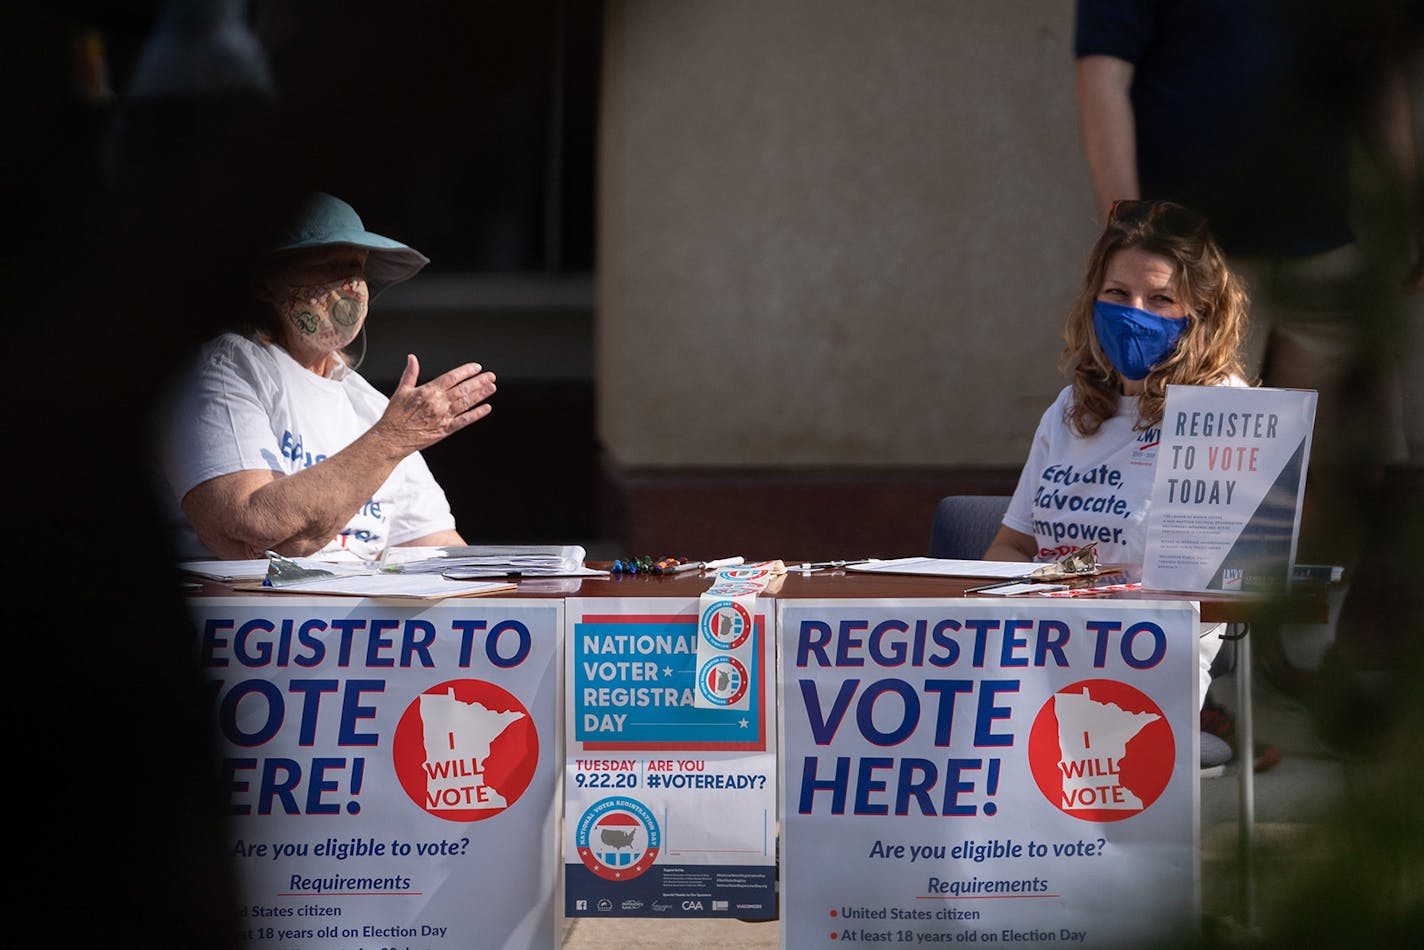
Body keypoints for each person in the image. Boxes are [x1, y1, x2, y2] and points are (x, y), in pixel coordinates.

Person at [984, 199, 1249, 709]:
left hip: (1147, 665)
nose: (1134, 313)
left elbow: (1228, 584)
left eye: (1160, 299)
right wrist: (1036, 596)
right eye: (1118, 293)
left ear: (1200, 311)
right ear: (1093, 299)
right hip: (1037, 651)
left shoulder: (1224, 411)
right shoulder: (1070, 409)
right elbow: (1010, 547)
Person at [158, 192, 497, 561]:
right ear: (265, 284)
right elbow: (250, 530)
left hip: (350, 618)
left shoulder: (369, 405)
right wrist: (389, 440)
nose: (350, 285)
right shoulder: (226, 368)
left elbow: (438, 549)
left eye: (356, 266)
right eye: (328, 265)